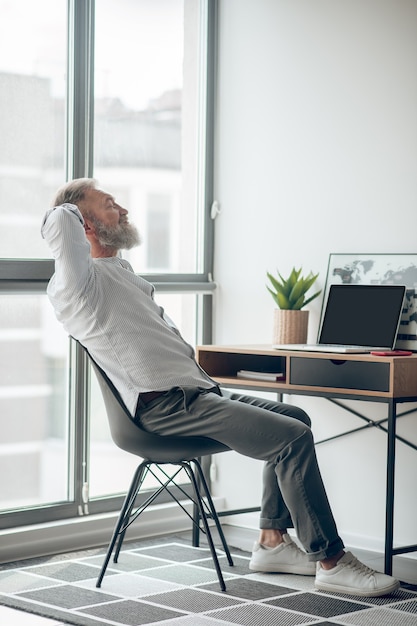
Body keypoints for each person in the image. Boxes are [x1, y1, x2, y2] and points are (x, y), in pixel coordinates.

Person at [41, 178, 400, 598]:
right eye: (109, 204)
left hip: (198, 395)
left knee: (294, 418)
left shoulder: (120, 273)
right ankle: (333, 561)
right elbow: (59, 224)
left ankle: (271, 543)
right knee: (291, 438)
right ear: (82, 224)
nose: (123, 209)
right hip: (165, 409)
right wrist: (70, 208)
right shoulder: (76, 286)